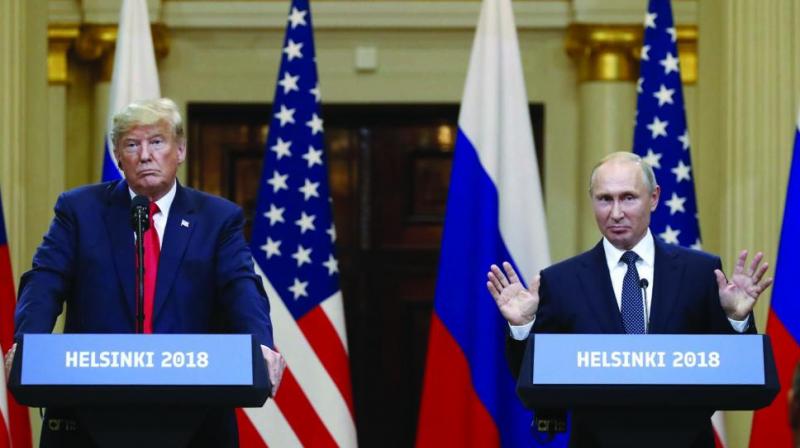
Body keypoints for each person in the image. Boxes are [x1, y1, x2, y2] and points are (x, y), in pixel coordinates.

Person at [10, 98, 285, 447]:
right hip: (90, 409)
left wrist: (261, 343)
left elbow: (241, 288)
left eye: (157, 142)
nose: (145, 155)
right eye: (132, 144)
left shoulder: (218, 219)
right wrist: (27, 343)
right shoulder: (79, 210)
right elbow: (45, 280)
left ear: (180, 150)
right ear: (117, 155)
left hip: (194, 412)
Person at [486, 152, 773, 447]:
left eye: (628, 198)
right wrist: (522, 328)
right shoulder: (561, 281)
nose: (616, 213)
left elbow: (734, 371)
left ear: (654, 197)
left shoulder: (700, 273)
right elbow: (532, 379)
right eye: (605, 199)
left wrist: (737, 320)